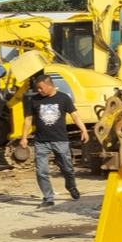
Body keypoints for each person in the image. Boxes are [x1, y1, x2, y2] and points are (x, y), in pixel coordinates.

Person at [19, 73, 89, 207]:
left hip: (60, 140)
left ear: (49, 85)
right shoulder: (33, 100)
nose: (39, 90)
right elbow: (28, 120)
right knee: (41, 171)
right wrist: (24, 138)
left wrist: (83, 130)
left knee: (67, 168)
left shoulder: (64, 98)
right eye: (37, 88)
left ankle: (71, 186)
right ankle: (48, 198)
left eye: (41, 88)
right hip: (41, 141)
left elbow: (75, 115)